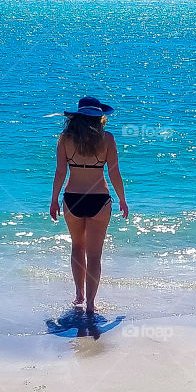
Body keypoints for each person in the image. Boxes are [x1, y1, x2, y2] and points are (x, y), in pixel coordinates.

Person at [49, 96, 128, 314]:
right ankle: (91, 304)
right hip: (99, 200)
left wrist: (54, 200)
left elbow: (60, 172)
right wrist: (122, 199)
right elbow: (114, 173)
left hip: (72, 199)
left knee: (77, 247)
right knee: (94, 255)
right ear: (99, 117)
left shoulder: (64, 139)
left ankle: (79, 295)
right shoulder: (108, 139)